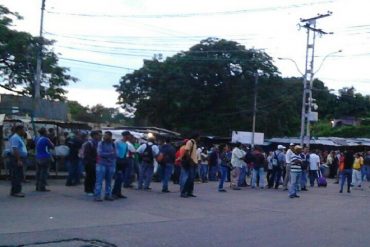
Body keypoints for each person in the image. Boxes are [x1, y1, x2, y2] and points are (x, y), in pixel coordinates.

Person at [94, 131, 116, 201]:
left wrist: (108, 155)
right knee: (99, 181)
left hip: (110, 164)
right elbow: (100, 154)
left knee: (109, 181)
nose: (104, 137)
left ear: (110, 136)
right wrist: (110, 154)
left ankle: (108, 195)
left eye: (106, 136)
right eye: (104, 135)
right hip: (101, 164)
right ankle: (97, 195)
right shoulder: (101, 143)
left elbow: (115, 154)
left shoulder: (113, 144)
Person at [112, 131, 135, 199]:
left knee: (121, 178)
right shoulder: (117, 142)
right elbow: (114, 151)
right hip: (117, 162)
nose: (130, 137)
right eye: (129, 136)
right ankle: (114, 193)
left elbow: (125, 153)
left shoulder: (126, 144)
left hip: (123, 162)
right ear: (125, 136)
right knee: (118, 177)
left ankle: (118, 192)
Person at [8, 125, 27, 197]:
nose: (24, 131)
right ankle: (16, 191)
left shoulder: (18, 137)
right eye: (23, 130)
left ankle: (16, 191)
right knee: (16, 175)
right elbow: (15, 149)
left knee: (18, 175)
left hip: (18, 158)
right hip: (16, 159)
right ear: (19, 130)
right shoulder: (15, 138)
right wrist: (18, 160)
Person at [179, 133, 199, 198]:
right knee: (189, 178)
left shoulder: (194, 143)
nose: (199, 138)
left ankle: (190, 192)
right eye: (199, 137)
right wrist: (190, 161)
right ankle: (184, 192)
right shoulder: (190, 142)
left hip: (194, 163)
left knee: (192, 179)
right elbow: (187, 152)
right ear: (196, 137)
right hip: (191, 163)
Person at [35, 128, 54, 192]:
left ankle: (37, 186)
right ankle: (42, 187)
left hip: (38, 156)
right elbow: (52, 146)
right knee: (44, 173)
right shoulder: (46, 139)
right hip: (45, 157)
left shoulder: (37, 138)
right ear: (45, 132)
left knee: (38, 172)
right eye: (46, 131)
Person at [83, 130, 101, 196]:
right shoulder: (89, 143)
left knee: (94, 177)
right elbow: (87, 154)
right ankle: (88, 190)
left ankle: (92, 189)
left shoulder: (98, 143)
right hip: (90, 163)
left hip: (96, 162)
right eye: (98, 135)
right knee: (90, 176)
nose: (99, 136)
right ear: (94, 136)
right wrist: (92, 161)